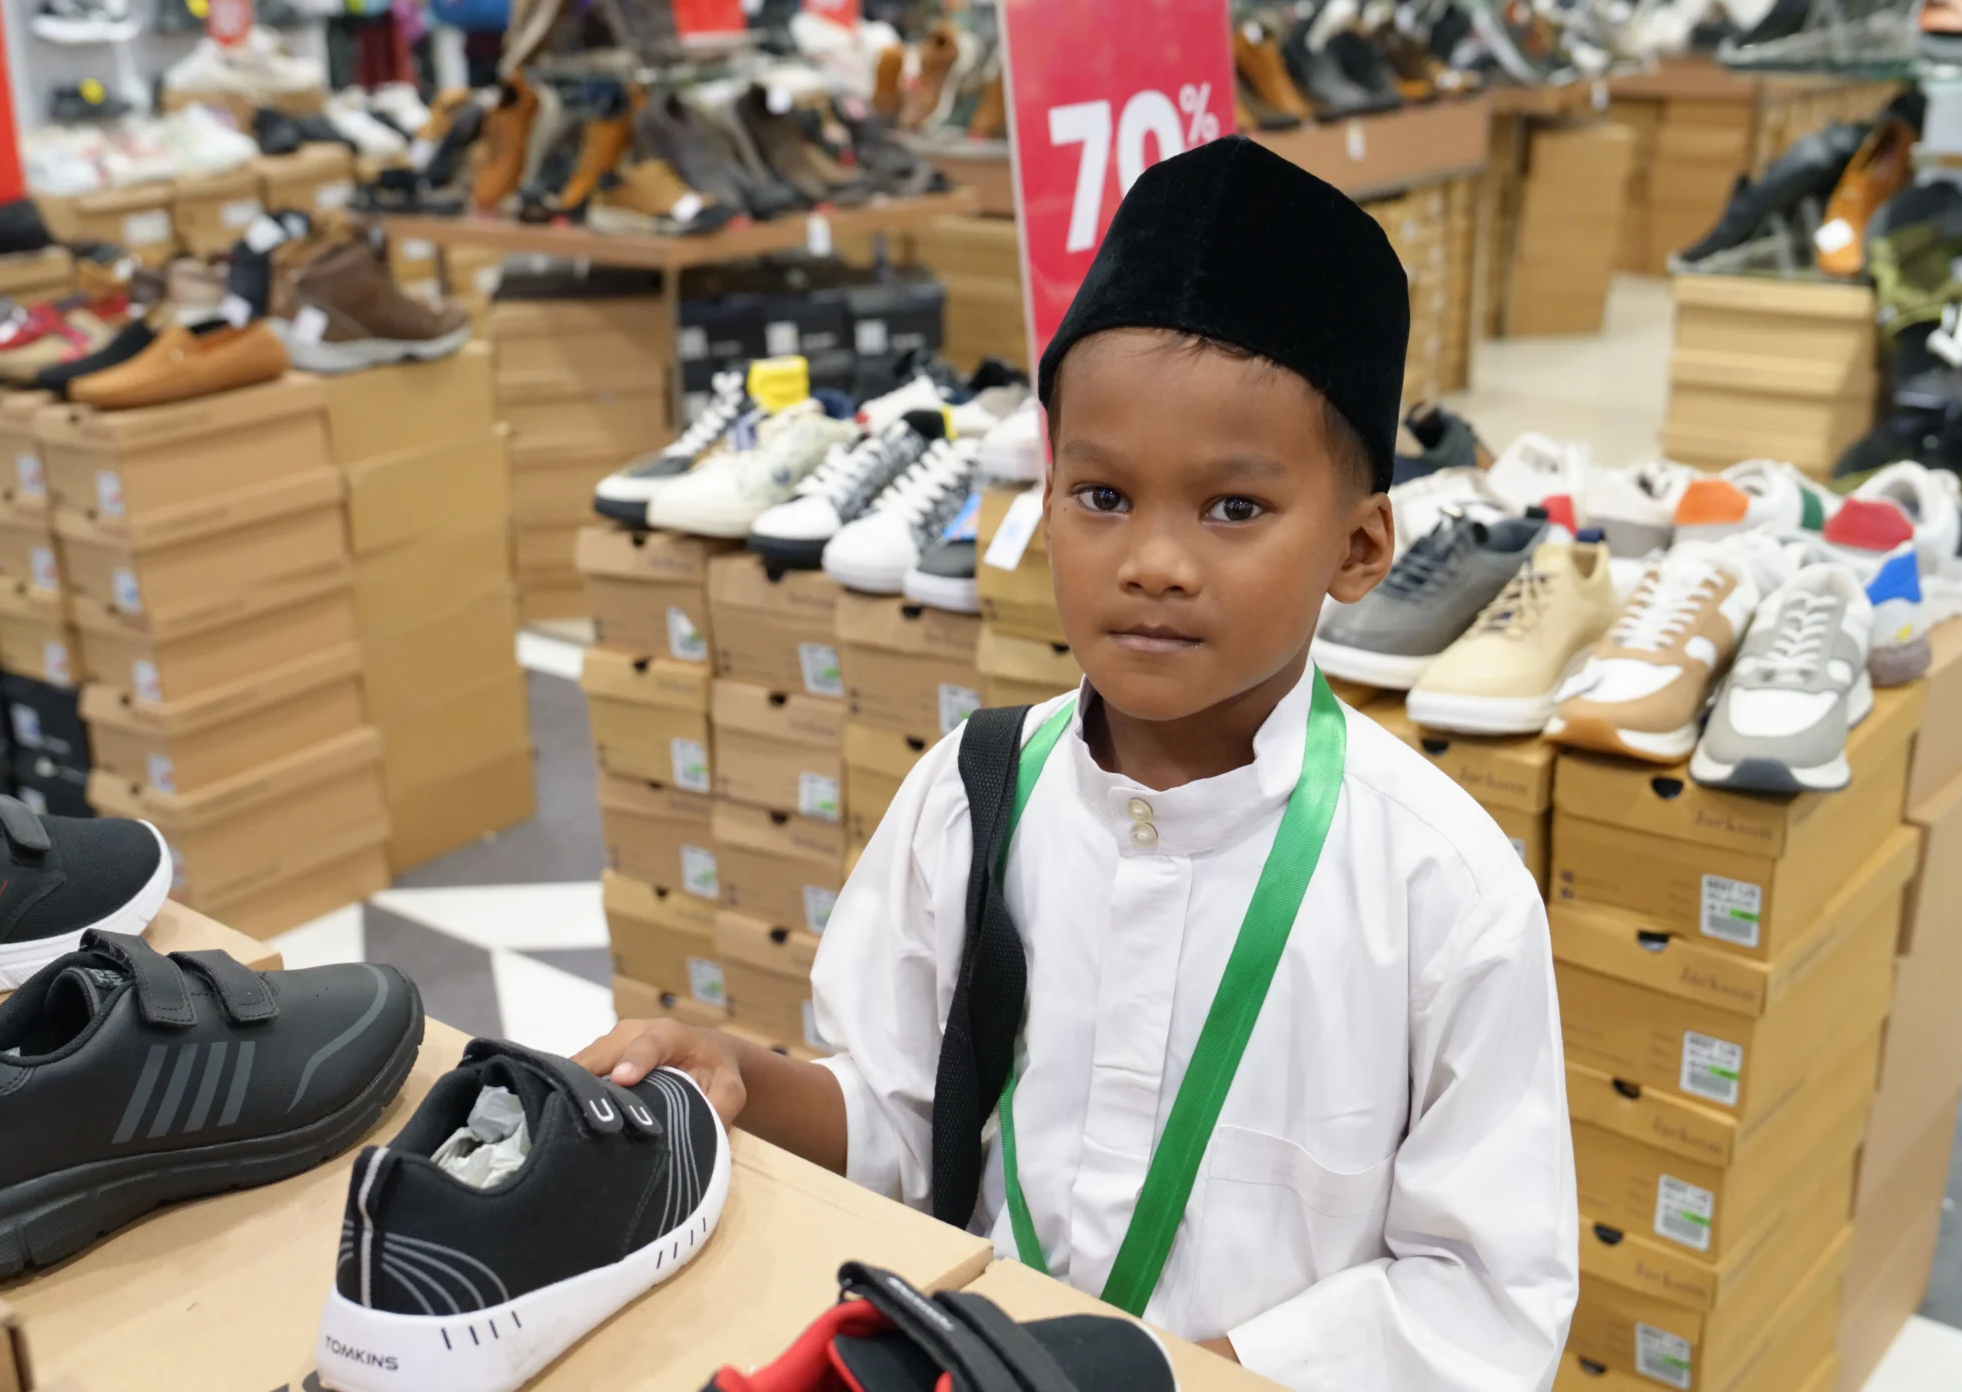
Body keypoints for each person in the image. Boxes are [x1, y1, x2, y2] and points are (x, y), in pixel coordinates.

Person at [578, 136, 1577, 1389]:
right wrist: (741, 1076)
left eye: (1232, 508)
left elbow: (1480, 1297)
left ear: (1360, 546)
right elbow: (900, 1114)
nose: (1152, 561)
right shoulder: (974, 793)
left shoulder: (1441, 888)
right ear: (1044, 500)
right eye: (1102, 495)